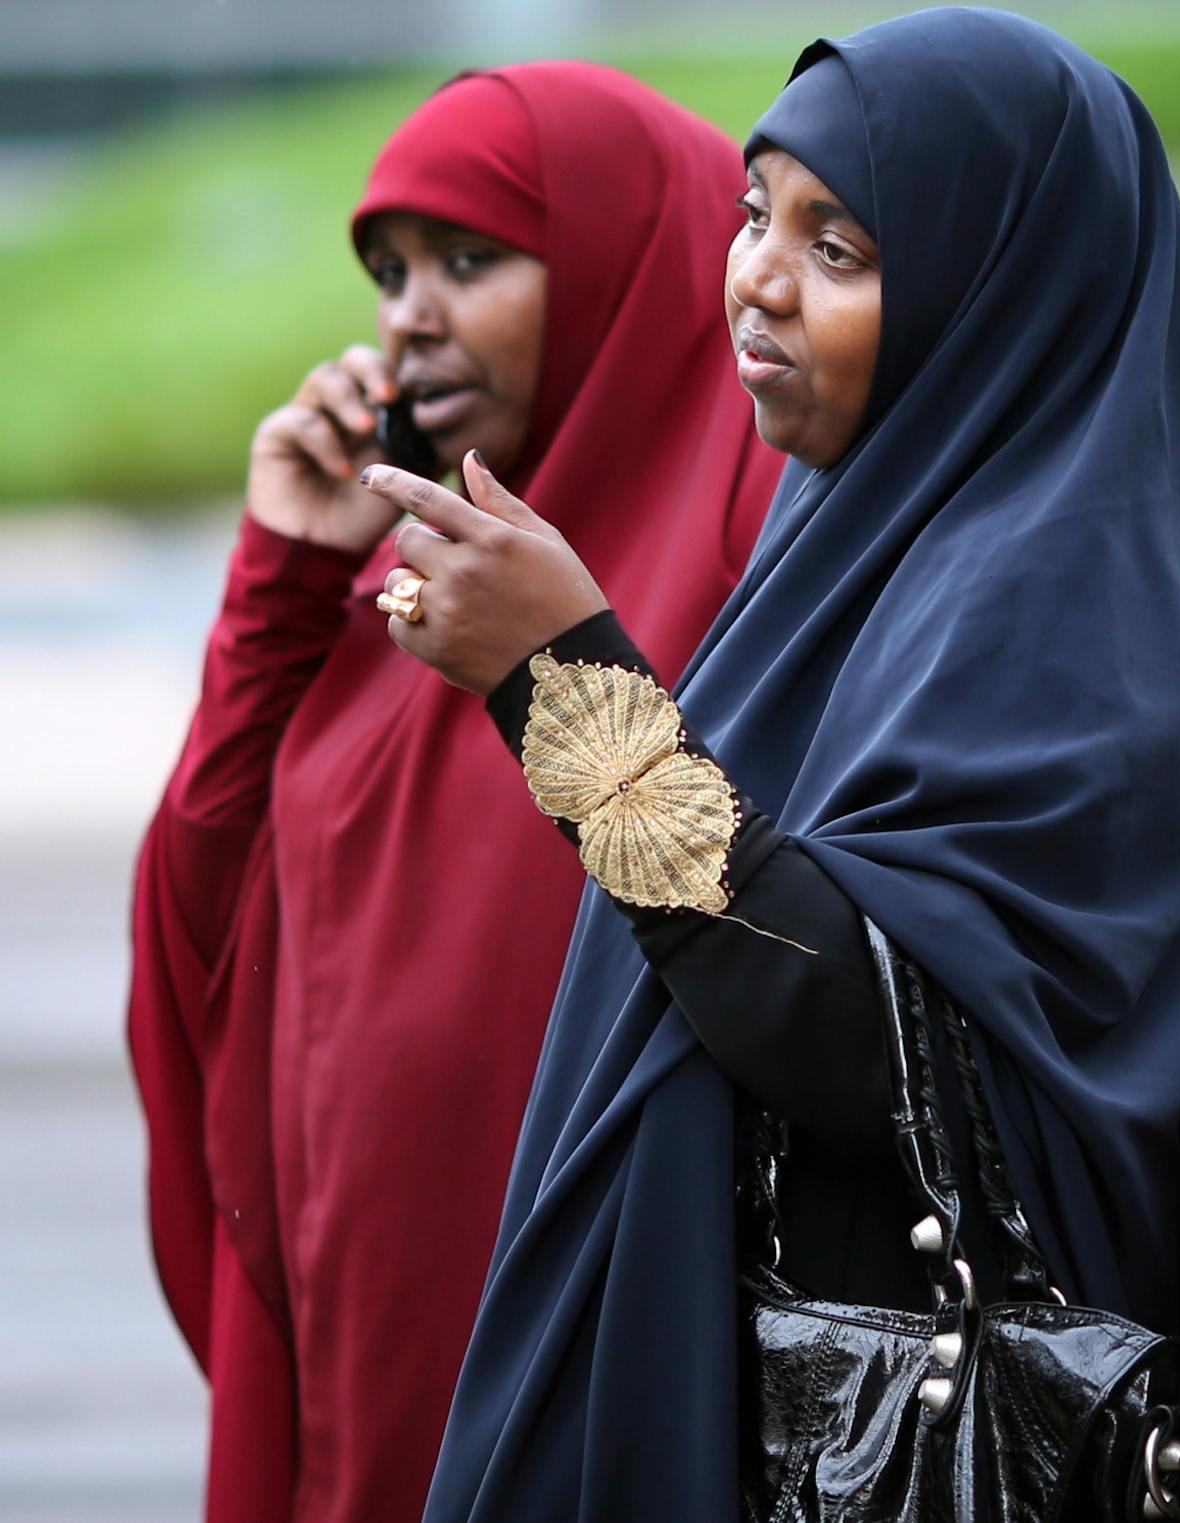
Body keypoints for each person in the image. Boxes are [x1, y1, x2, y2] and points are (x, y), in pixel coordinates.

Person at [354, 13, 1180, 1515]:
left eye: (838, 246)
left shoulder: (1056, 582)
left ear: (1000, 292)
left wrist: (563, 687)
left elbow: (868, 1032)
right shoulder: (864, 526)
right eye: (752, 214)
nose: (757, 281)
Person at [126, 64, 783, 1523]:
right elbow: (213, 908)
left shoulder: (759, 544)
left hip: (599, 1324)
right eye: (389, 270)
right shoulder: (412, 572)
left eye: (471, 260)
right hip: (365, 1329)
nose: (409, 313)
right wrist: (284, 573)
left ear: (627, 257)